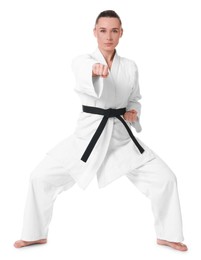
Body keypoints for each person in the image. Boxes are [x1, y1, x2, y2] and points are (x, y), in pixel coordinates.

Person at [14, 10, 188, 251]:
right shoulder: (82, 60)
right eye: (103, 30)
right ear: (95, 32)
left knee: (166, 178)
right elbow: (82, 69)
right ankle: (34, 234)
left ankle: (168, 234)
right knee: (39, 176)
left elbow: (135, 98)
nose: (108, 36)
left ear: (121, 33)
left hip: (120, 140)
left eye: (114, 31)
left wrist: (133, 112)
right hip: (88, 139)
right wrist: (96, 70)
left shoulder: (130, 67)